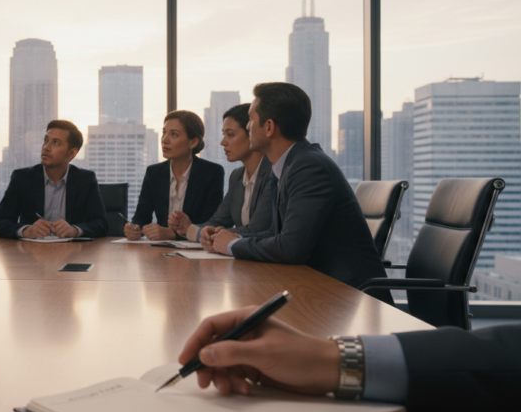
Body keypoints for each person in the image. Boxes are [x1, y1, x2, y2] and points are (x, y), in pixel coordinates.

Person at [178, 306, 521, 412]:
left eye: (243, 124)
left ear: (268, 125)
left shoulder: (307, 167)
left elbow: (290, 242)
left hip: (343, 299)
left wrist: (334, 358)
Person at [204, 83, 389, 301]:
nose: (248, 127)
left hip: (352, 298)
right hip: (321, 287)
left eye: (251, 120)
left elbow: (291, 248)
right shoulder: (289, 165)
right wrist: (228, 237)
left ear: (269, 127)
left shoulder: (309, 167)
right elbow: (276, 233)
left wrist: (233, 244)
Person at [168, 103, 273, 242]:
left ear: (252, 132)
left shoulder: (274, 173)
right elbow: (218, 221)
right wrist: (187, 229)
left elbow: (257, 229)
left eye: (230, 134)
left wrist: (194, 232)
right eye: (224, 135)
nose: (223, 142)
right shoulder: (237, 176)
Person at [0, 120, 108, 239]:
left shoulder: (85, 180)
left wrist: (74, 230)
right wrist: (27, 231)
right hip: (31, 254)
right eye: (46, 141)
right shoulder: (23, 178)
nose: (46, 147)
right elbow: (0, 224)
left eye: (56, 143)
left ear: (72, 153)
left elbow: (101, 224)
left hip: (73, 254)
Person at [126, 111, 224, 241]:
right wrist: (135, 229)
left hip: (198, 250)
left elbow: (211, 224)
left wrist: (174, 234)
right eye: (164, 132)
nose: (164, 139)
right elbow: (141, 218)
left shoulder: (212, 172)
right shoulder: (153, 173)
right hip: (159, 250)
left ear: (193, 142)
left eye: (174, 134)